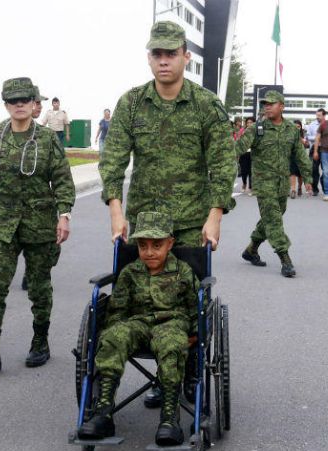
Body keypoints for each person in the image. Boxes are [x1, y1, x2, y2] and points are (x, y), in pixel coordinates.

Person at [99, 20, 237, 407]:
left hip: (191, 222)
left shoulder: (206, 105)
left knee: (185, 304)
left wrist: (215, 215)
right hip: (145, 224)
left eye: (171, 54)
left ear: (185, 57)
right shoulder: (131, 103)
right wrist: (115, 209)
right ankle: (149, 374)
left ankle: (183, 375)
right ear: (149, 58)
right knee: (139, 299)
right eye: (157, 54)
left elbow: (223, 164)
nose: (164, 61)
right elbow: (113, 160)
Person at [0, 77, 76, 379]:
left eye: (24, 100)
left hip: (40, 224)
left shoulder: (47, 139)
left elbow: (63, 180)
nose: (19, 105)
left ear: (33, 103)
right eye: (13, 100)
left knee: (39, 288)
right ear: (5, 104)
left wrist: (63, 215)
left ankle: (40, 341)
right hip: (2, 226)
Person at [78, 211, 199, 446]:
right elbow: (118, 311)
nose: (149, 251)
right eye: (143, 245)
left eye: (157, 245)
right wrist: (112, 334)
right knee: (113, 337)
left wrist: (195, 334)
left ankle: (169, 419)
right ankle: (103, 412)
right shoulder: (130, 272)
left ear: (170, 243)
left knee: (172, 345)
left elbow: (195, 307)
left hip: (172, 323)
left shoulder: (183, 271)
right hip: (138, 323)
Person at [0, 84, 49, 291]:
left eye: (38, 104)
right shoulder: (2, 132)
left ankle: (31, 275)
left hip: (33, 205)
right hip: (8, 204)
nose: (39, 107)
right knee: (1, 239)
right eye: (36, 103)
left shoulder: (41, 134)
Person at [236, 91, 312, 277]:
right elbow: (237, 147)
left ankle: (251, 249)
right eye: (265, 104)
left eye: (271, 103)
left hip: (281, 184)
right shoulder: (256, 128)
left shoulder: (291, 130)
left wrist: (308, 179)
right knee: (274, 221)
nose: (267, 106)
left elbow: (300, 155)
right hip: (263, 184)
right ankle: (285, 259)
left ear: (282, 106)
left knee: (271, 218)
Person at [305, 109, 326, 196]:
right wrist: (317, 137)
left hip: (326, 149)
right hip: (314, 148)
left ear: (324, 116)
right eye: (316, 115)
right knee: (313, 169)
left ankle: (326, 188)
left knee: (326, 170)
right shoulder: (312, 125)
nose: (317, 117)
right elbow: (308, 137)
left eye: (319, 115)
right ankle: (315, 189)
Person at [288, 120, 307, 198]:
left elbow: (306, 143)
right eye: (295, 127)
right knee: (292, 173)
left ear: (301, 127)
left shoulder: (303, 134)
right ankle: (293, 190)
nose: (296, 128)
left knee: (300, 175)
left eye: (298, 127)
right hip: (291, 156)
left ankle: (299, 187)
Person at [238, 117, 255, 195]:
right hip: (244, 153)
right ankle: (244, 183)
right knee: (244, 171)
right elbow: (238, 141)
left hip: (253, 153)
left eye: (251, 122)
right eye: (248, 122)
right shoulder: (242, 131)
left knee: (251, 171)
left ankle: (251, 188)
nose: (249, 124)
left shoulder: (256, 131)